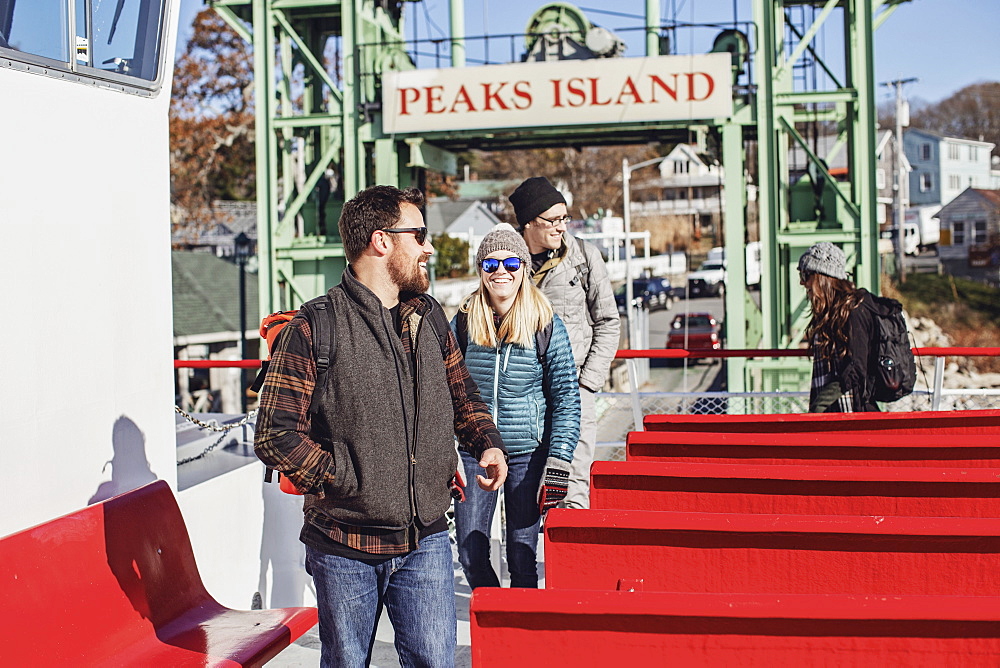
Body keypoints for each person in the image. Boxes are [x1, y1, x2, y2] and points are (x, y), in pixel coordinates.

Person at [254, 185, 509, 668]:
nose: (429, 247)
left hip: (427, 539)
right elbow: (274, 432)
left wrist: (487, 444)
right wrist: (346, 479)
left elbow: (462, 395)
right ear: (381, 241)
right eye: (419, 235)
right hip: (345, 547)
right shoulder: (312, 328)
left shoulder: (429, 316)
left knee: (437, 662)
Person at [451, 223, 581, 589]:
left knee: (522, 556)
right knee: (470, 552)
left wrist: (558, 463)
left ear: (524, 268)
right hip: (474, 450)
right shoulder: (463, 321)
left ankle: (520, 638)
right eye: (490, 265)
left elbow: (566, 398)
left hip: (528, 453)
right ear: (481, 271)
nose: (501, 272)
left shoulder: (545, 324)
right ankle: (496, 615)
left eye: (510, 263)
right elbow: (441, 385)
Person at [508, 176, 619, 509]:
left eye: (563, 219)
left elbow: (609, 322)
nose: (561, 227)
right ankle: (529, 562)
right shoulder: (506, 263)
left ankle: (573, 560)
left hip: (574, 392)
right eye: (552, 220)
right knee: (524, 490)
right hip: (522, 397)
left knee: (572, 487)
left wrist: (587, 385)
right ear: (528, 223)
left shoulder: (584, 256)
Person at [798, 241, 880, 413]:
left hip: (851, 413)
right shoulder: (830, 313)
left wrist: (821, 402)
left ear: (823, 277)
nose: (802, 283)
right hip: (833, 411)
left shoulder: (853, 311)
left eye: (806, 275)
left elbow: (857, 367)